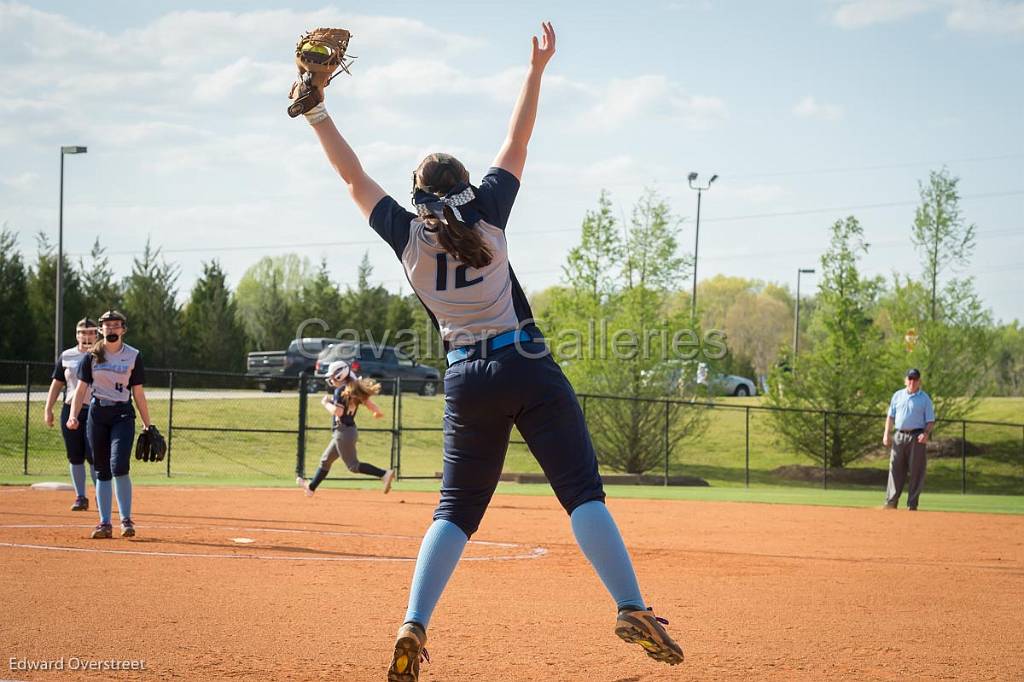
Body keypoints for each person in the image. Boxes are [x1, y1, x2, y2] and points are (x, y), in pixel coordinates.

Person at [298, 21, 683, 680]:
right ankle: (630, 606)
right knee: (582, 494)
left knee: (454, 510)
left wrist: (318, 111)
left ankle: (414, 623)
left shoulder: (405, 233)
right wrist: (536, 71)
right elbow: (519, 138)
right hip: (525, 364)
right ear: (464, 183)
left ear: (418, 194)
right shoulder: (491, 210)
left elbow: (351, 175)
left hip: (464, 377)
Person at [66, 310, 154, 539]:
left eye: (116, 325)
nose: (111, 329)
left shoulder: (133, 355)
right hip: (97, 414)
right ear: (101, 330)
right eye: (107, 325)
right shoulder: (92, 356)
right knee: (101, 469)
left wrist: (148, 424)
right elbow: (81, 389)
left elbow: (138, 393)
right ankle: (104, 523)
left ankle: (126, 520)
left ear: (123, 329)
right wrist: (73, 415)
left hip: (122, 414)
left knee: (119, 465)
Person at [296, 360, 395, 495]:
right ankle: (311, 488)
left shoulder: (341, 390)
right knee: (326, 460)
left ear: (340, 375)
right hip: (347, 431)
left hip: (343, 432)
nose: (330, 379)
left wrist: (325, 403)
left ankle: (384, 474)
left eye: (332, 376)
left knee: (353, 466)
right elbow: (368, 402)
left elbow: (338, 412)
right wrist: (376, 411)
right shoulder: (352, 388)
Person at [43, 318, 99, 510]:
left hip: (95, 409)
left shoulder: (103, 354)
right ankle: (81, 497)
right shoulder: (67, 356)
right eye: (82, 332)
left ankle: (101, 494)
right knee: (75, 455)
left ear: (97, 334)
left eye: (91, 332)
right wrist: (48, 408)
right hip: (71, 410)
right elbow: (57, 383)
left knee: (94, 456)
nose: (86, 336)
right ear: (76, 335)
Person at [882, 368, 936, 510]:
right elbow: (891, 417)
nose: (912, 382)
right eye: (910, 379)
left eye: (915, 379)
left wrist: (926, 433)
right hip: (899, 435)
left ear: (919, 382)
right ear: (905, 380)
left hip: (916, 437)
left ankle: (912, 504)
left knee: (916, 471)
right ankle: (891, 502)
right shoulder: (897, 396)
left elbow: (930, 420)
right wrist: (886, 433)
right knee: (895, 468)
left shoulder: (925, 399)